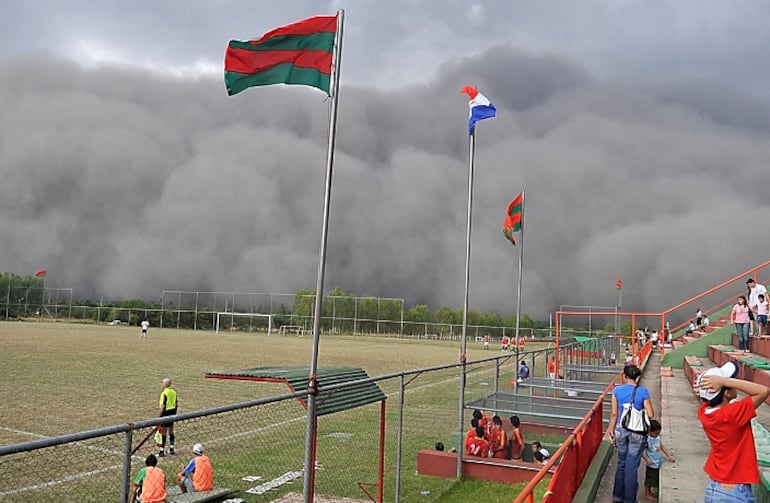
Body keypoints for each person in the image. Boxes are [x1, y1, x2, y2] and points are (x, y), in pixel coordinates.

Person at [697, 360, 770, 502]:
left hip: (715, 485)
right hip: (734, 490)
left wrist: (721, 383)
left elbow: (706, 398)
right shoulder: (731, 415)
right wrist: (724, 381)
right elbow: (763, 391)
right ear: (728, 393)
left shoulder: (704, 412)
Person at [606, 364, 655, 503]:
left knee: (621, 463)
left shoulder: (617, 391)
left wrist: (610, 430)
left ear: (625, 376)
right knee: (631, 467)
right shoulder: (643, 392)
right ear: (638, 377)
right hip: (637, 433)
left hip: (621, 430)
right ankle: (630, 500)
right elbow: (651, 414)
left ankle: (617, 497)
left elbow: (614, 413)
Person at [641, 419, 675, 501]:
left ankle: (650, 492)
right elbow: (641, 451)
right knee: (649, 480)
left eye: (658, 433)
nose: (657, 435)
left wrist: (669, 456)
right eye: (655, 433)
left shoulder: (657, 438)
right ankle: (647, 493)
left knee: (654, 479)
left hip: (657, 462)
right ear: (649, 432)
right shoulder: (647, 440)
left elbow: (662, 447)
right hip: (651, 463)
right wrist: (647, 459)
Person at [157, 378, 177, 457]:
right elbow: (176, 403)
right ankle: (172, 448)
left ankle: (162, 451)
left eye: (162, 383)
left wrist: (159, 415)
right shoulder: (174, 392)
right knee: (171, 431)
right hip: (172, 412)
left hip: (165, 413)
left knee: (163, 432)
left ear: (165, 384)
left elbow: (163, 405)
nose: (161, 384)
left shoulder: (164, 393)